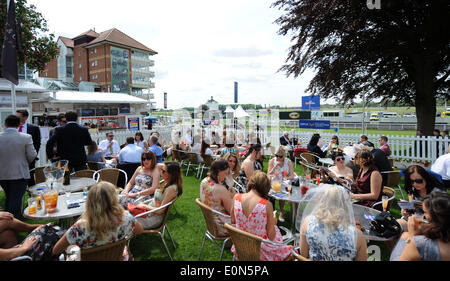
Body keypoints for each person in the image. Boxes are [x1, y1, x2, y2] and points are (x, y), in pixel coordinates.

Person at [52, 181, 143, 260]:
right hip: (116, 258)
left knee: (71, 250)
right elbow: (140, 231)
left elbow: (56, 250)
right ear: (114, 199)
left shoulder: (80, 227)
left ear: (90, 202)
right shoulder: (126, 218)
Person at [230, 171, 293, 261]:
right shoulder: (266, 205)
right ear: (266, 188)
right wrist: (273, 221)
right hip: (261, 252)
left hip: (241, 248)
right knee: (291, 251)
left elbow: (233, 220)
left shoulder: (236, 197)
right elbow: (271, 236)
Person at [298, 184, 368, 261]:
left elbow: (303, 254)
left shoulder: (308, 223)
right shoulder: (357, 236)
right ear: (346, 205)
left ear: (322, 201)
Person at [390, 192, 450, 261]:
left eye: (424, 212)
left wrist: (411, 236)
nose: (423, 215)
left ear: (432, 216)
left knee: (405, 235)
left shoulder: (421, 244)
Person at [0, 115, 37, 218]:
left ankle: (6, 220)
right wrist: (25, 162)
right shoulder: (26, 137)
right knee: (16, 198)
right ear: (19, 125)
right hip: (20, 171)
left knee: (9, 196)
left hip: (2, 173)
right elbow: (32, 155)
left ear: (5, 124)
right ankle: (12, 221)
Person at [134, 162, 183, 229]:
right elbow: (157, 166)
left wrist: (144, 206)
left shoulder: (171, 189)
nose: (160, 172)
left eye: (163, 171)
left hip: (153, 218)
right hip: (148, 212)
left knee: (126, 221)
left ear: (170, 174)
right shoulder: (167, 182)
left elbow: (160, 211)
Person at [200, 159, 234, 237]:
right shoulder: (220, 189)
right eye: (225, 173)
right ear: (218, 171)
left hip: (211, 223)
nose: (226, 176)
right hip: (222, 226)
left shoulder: (204, 181)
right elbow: (232, 212)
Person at [267, 146, 295, 222]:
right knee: (274, 193)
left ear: (284, 155)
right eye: (276, 156)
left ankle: (282, 211)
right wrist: (275, 166)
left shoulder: (288, 162)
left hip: (284, 182)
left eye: (280, 156)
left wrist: (285, 179)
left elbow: (292, 175)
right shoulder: (272, 161)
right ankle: (272, 213)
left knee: (283, 192)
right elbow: (269, 174)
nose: (278, 158)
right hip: (274, 182)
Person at [16, 109, 41, 187]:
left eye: (18, 117)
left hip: (29, 159)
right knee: (17, 180)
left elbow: (37, 143)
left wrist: (33, 155)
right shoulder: (13, 128)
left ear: (25, 117)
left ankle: (32, 196)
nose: (16, 118)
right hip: (16, 158)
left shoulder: (34, 128)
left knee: (30, 179)